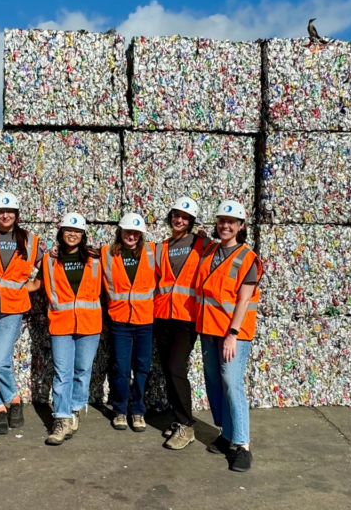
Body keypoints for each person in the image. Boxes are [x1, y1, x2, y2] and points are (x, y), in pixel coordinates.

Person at [193, 200, 262, 472]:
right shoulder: (211, 251)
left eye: (231, 222)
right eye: (222, 220)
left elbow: (244, 301)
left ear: (241, 226)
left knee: (232, 383)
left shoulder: (248, 258)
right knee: (214, 382)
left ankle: (243, 445)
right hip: (208, 328)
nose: (225, 225)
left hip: (233, 332)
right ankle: (227, 434)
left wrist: (233, 334)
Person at [27, 213, 102, 446]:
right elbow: (38, 283)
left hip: (89, 324)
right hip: (61, 323)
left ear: (83, 235)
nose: (73, 234)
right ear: (61, 233)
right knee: (62, 372)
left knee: (82, 369)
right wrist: (9, 289)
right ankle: (61, 418)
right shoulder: (50, 259)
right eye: (69, 230)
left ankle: (75, 408)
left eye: (77, 230)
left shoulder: (96, 258)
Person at [0, 191, 40, 434]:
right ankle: (0, 407)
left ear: (16, 214)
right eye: (1, 211)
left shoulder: (30, 241)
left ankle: (14, 398)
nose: (5, 215)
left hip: (13, 306)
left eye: (9, 211)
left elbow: (46, 269)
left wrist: (32, 286)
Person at [154, 197, 213, 450]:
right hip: (162, 315)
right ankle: (178, 420)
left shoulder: (203, 244)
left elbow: (226, 252)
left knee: (176, 368)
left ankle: (187, 426)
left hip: (187, 318)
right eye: (176, 215)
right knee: (167, 369)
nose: (179, 220)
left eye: (185, 217)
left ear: (191, 222)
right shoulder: (162, 246)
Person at [101, 212, 156, 433]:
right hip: (120, 320)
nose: (131, 235)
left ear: (141, 234)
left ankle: (138, 411)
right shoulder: (106, 253)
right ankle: (120, 411)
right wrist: (55, 251)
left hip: (145, 320)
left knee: (142, 368)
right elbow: (80, 256)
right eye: (127, 231)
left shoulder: (152, 252)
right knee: (121, 369)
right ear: (120, 232)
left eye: (136, 232)